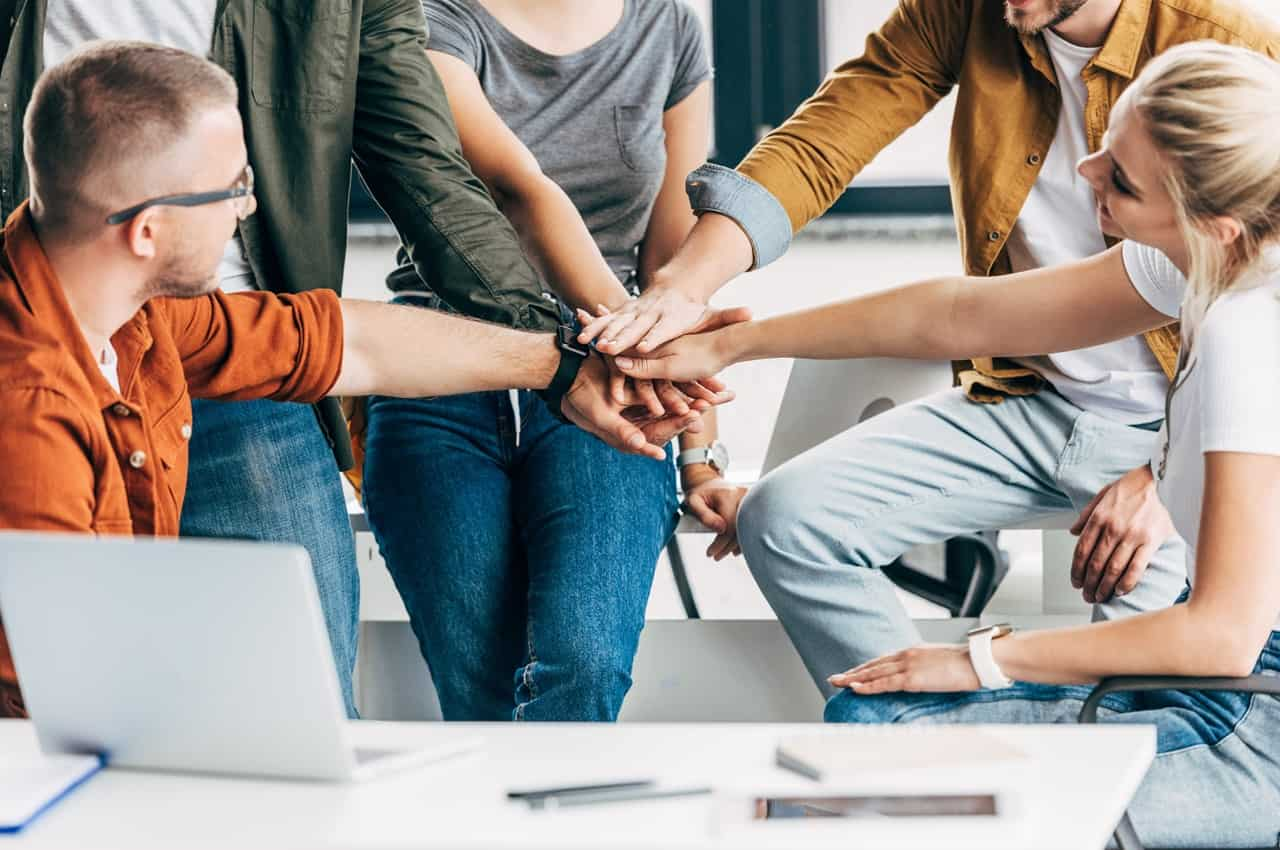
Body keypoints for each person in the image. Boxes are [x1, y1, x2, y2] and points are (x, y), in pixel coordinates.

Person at [616, 42, 1280, 846]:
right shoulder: (1209, 263)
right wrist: (727, 346)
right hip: (1236, 683)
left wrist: (980, 660)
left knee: (915, 767)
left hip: (1254, 726)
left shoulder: (1252, 329)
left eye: (1123, 182)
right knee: (882, 721)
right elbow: (961, 315)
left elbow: (1219, 637)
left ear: (1216, 223)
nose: (1086, 172)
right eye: (1108, 147)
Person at [0, 0, 703, 717]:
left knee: (311, 712)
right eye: (233, 190)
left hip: (194, 364)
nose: (249, 211)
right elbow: (41, 719)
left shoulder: (165, 325)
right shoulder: (34, 414)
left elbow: (348, 340)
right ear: (147, 231)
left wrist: (562, 367)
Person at [358, 0, 741, 721]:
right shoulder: (429, 16)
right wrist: (626, 339)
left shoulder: (669, 27)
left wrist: (699, 454)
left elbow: (670, 264)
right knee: (478, 688)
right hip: (445, 365)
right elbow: (513, 190)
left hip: (611, 372)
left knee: (587, 663)